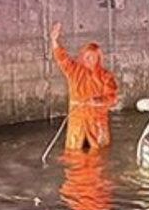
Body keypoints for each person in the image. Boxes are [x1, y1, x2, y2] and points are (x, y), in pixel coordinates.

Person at [50, 22, 118, 152]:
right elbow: (62, 59)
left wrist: (97, 101)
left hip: (96, 125)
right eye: (86, 56)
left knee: (98, 157)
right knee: (75, 156)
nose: (88, 59)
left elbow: (112, 98)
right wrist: (54, 41)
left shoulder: (106, 76)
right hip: (77, 125)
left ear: (98, 58)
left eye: (92, 57)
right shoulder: (74, 71)